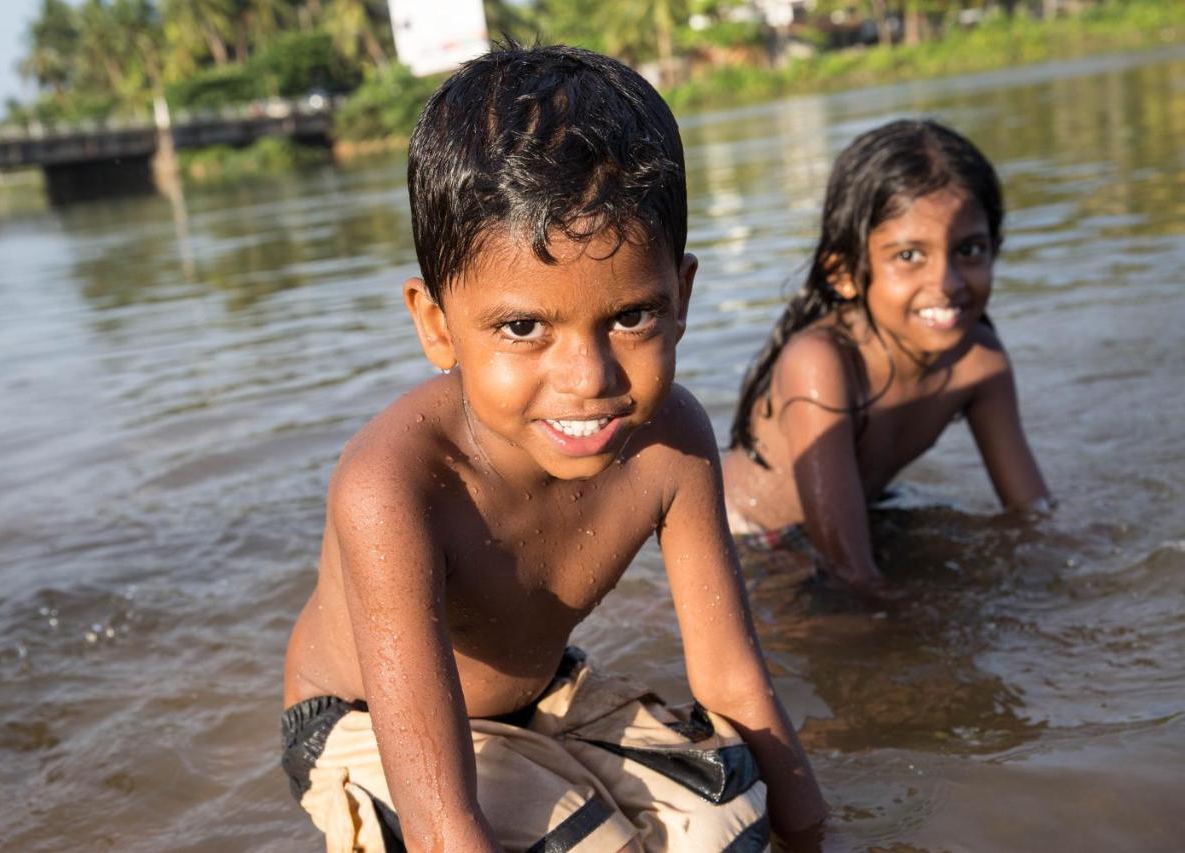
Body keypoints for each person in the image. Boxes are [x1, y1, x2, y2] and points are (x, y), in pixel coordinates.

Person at [281, 44, 826, 852]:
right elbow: (441, 823)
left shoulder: (672, 441)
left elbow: (732, 680)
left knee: (729, 819)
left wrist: (820, 835)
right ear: (436, 325)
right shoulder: (394, 486)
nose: (589, 378)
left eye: (633, 316)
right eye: (522, 327)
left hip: (539, 692)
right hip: (361, 724)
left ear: (682, 297)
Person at [723, 119, 1051, 596]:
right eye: (909, 256)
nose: (947, 283)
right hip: (749, 538)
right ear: (843, 273)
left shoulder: (980, 362)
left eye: (970, 250)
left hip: (861, 517)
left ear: (995, 250)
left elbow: (1033, 516)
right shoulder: (822, 362)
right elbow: (848, 570)